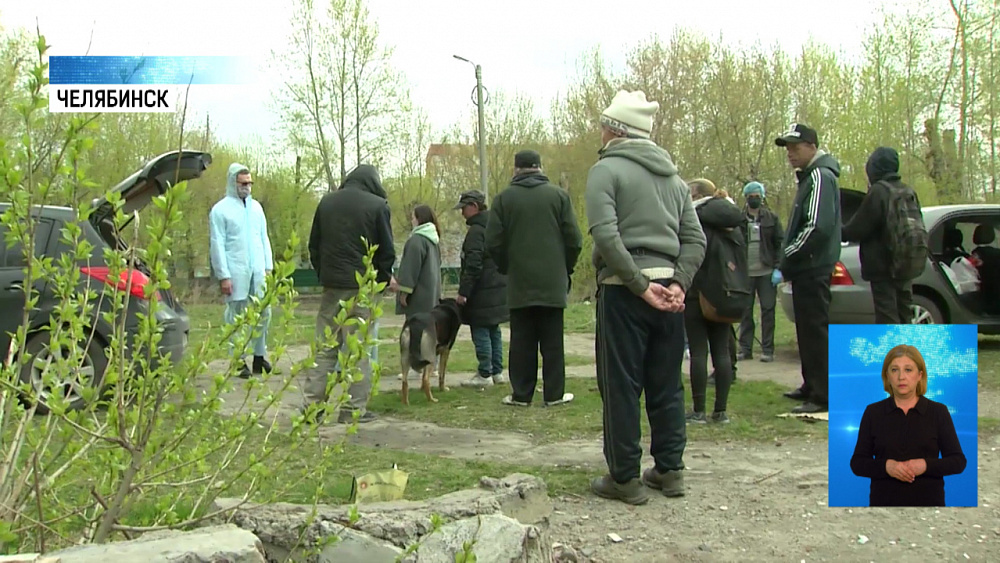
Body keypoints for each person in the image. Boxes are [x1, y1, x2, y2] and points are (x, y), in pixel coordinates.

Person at [584, 89, 707, 505]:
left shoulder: (605, 171)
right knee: (667, 383)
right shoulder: (674, 180)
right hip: (669, 290)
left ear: (615, 130)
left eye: (603, 126)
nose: (600, 133)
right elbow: (695, 239)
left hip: (624, 291)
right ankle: (670, 469)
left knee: (620, 385)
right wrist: (679, 284)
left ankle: (624, 477)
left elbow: (606, 235)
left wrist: (638, 283)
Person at [486, 150, 583, 408]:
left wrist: (507, 266)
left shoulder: (503, 199)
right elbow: (574, 240)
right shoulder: (559, 197)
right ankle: (554, 394)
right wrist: (565, 268)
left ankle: (521, 394)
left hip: (519, 281)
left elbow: (492, 241)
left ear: (515, 169)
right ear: (540, 167)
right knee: (553, 341)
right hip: (553, 282)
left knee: (521, 340)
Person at [304, 165, 395, 424]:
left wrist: (325, 275)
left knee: (325, 348)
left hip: (332, 286)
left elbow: (314, 245)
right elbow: (387, 252)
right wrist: (380, 281)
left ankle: (312, 408)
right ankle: (353, 409)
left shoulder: (326, 202)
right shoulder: (378, 206)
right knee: (358, 351)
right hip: (363, 287)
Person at [774, 123, 842, 414]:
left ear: (812, 147)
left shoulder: (820, 176)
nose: (790, 153)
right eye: (788, 148)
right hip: (806, 268)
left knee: (815, 331)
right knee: (806, 330)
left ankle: (823, 394)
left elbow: (816, 226)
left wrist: (788, 255)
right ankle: (811, 383)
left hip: (813, 266)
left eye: (795, 147)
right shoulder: (808, 177)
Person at [849, 344, 967, 507]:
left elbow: (958, 461)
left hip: (929, 505)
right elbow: (857, 463)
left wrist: (925, 465)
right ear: (887, 376)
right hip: (883, 506)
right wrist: (887, 467)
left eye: (908, 370)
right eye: (894, 370)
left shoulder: (938, 412)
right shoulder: (873, 412)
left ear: (920, 375)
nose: (901, 377)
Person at [684, 179, 744, 426]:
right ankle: (721, 411)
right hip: (725, 292)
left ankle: (698, 410)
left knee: (698, 352)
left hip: (696, 291)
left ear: (697, 195)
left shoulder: (694, 217)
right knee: (722, 351)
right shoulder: (733, 220)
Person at [841, 147, 922, 324]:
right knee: (904, 313)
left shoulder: (879, 191)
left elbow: (857, 229)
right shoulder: (908, 191)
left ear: (874, 168)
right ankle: (907, 343)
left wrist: (839, 230)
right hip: (905, 264)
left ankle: (892, 343)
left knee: (887, 316)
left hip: (883, 267)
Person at [209, 163, 274, 379]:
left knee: (264, 312)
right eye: (243, 183)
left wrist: (268, 267)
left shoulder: (256, 208)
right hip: (235, 270)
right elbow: (217, 243)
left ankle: (259, 356)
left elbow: (263, 238)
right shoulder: (220, 210)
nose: (247, 187)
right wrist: (223, 275)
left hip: (258, 269)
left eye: (249, 183)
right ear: (233, 183)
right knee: (236, 316)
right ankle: (238, 359)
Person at [452, 190, 509, 388]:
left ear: (474, 206)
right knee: (494, 329)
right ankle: (497, 371)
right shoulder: (497, 226)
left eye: (464, 208)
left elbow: (473, 264)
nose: (462, 213)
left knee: (480, 328)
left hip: (481, 290)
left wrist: (464, 292)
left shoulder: (476, 231)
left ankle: (485, 373)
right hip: (498, 287)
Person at [737, 181, 784, 362]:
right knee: (745, 312)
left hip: (766, 272)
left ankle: (767, 350)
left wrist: (778, 268)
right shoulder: (739, 220)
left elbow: (780, 244)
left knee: (768, 310)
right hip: (745, 273)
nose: (754, 199)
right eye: (751, 196)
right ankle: (745, 349)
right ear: (746, 198)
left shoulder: (772, 219)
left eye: (757, 196)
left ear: (762, 197)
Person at [391, 204, 442, 320]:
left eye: (413, 218)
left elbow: (410, 269)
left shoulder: (416, 240)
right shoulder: (433, 240)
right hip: (432, 296)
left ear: (420, 219)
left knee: (416, 327)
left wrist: (404, 292)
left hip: (417, 298)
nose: (412, 221)